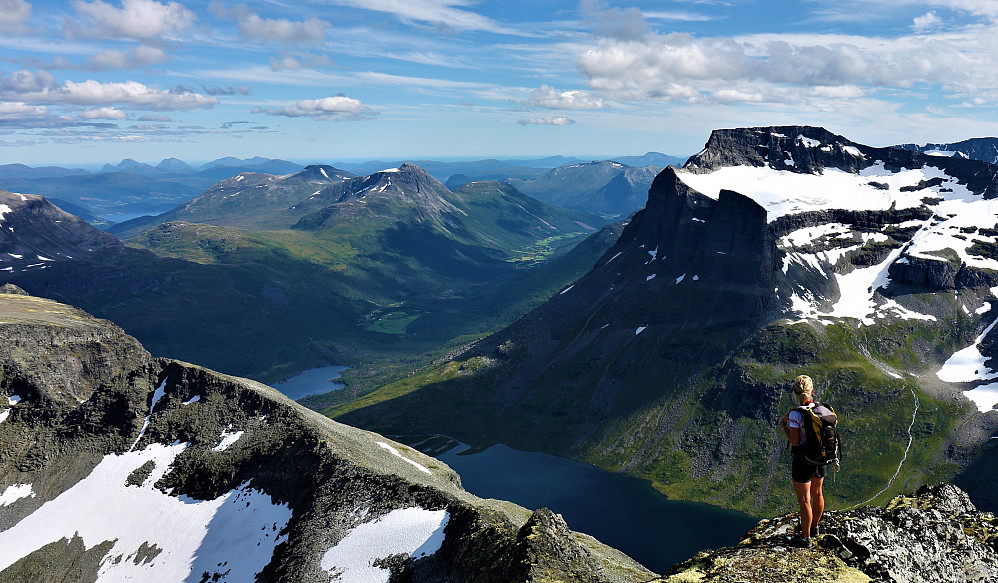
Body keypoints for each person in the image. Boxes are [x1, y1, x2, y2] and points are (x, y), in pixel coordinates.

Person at [779, 374, 825, 548]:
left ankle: (804, 538)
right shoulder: (821, 410)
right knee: (818, 493)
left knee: (805, 500)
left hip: (803, 460)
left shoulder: (795, 414)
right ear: (812, 391)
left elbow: (795, 441)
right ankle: (814, 527)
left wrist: (784, 426)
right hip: (821, 458)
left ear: (795, 393)